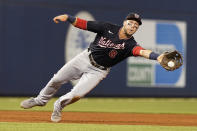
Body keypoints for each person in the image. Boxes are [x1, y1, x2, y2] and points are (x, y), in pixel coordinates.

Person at [20, 12, 164, 122]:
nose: (133, 26)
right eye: (131, 23)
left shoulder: (131, 44)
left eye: (136, 26)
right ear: (124, 23)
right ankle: (39, 101)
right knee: (57, 79)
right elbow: (84, 24)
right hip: (85, 58)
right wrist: (68, 17)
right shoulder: (107, 27)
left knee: (77, 95)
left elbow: (142, 51)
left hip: (99, 71)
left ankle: (58, 106)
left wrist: (157, 56)